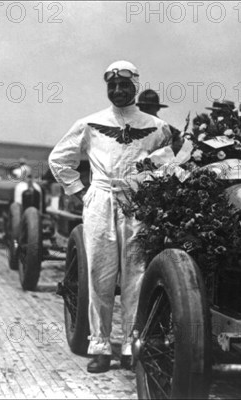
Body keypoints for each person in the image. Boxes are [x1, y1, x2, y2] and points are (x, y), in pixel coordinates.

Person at [48, 60, 172, 373]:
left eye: (124, 85)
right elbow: (58, 159)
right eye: (112, 86)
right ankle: (100, 346)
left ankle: (132, 345)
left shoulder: (157, 129)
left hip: (137, 205)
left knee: (137, 276)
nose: (117, 91)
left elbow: (168, 167)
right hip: (100, 203)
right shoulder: (90, 124)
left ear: (136, 86)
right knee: (100, 276)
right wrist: (81, 192)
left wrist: (150, 191)